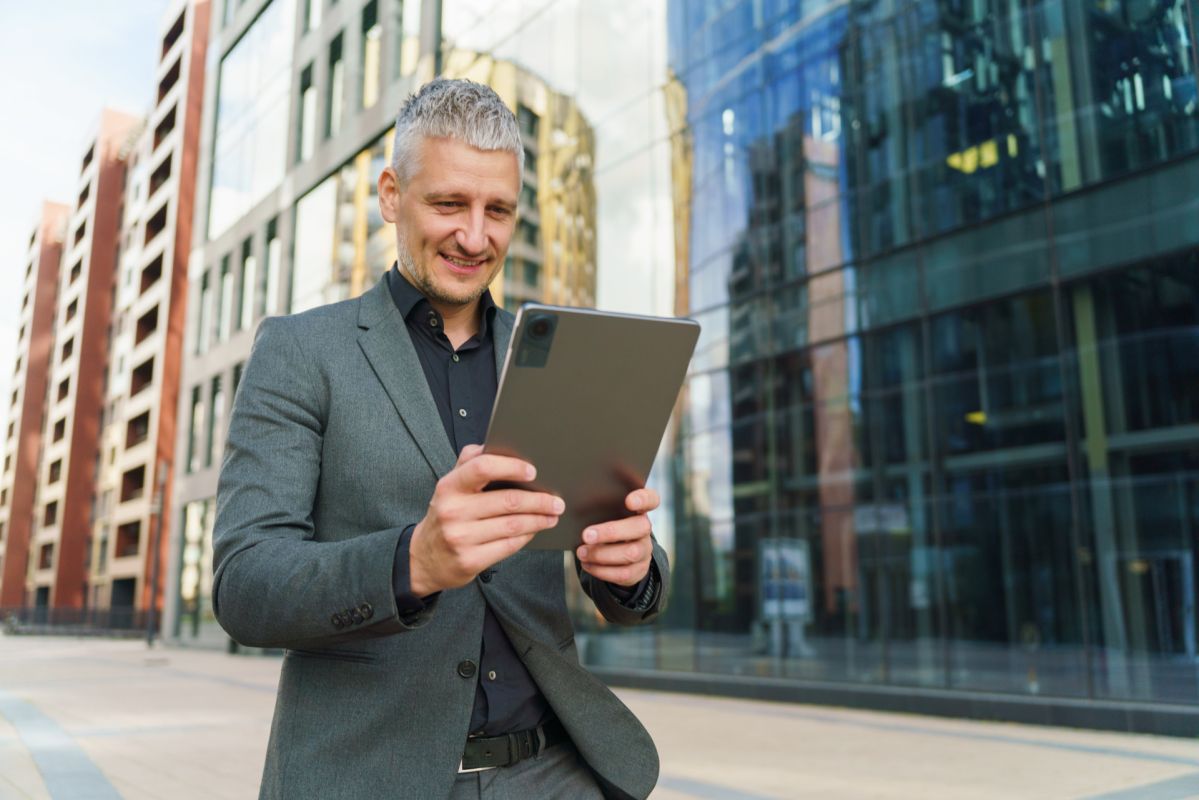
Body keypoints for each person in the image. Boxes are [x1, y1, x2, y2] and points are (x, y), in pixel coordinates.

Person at [211, 78, 669, 800]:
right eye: (449, 204)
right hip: (366, 775)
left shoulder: (552, 355)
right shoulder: (301, 351)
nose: (475, 236)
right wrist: (412, 562)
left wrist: (631, 567)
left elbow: (620, 575)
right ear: (392, 195)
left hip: (552, 772)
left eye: (499, 211)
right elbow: (245, 583)